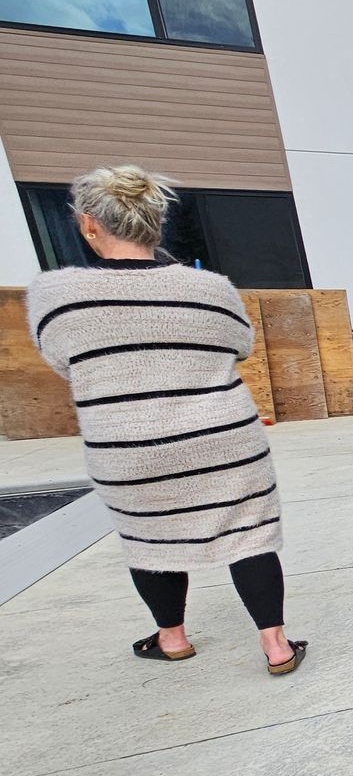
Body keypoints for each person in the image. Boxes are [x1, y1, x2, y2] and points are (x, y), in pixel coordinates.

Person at [26, 166, 307, 675]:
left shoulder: (55, 294)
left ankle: (172, 638)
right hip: (222, 439)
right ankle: (276, 646)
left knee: (149, 537)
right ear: (155, 225)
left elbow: (60, 360)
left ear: (90, 225)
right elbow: (240, 346)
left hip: (126, 445)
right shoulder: (209, 288)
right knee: (249, 534)